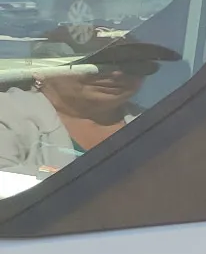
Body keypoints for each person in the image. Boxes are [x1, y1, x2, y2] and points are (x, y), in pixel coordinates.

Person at [0, 30, 178, 178]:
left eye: (135, 65)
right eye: (99, 63)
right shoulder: (6, 112)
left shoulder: (163, 125)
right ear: (41, 69)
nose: (117, 74)